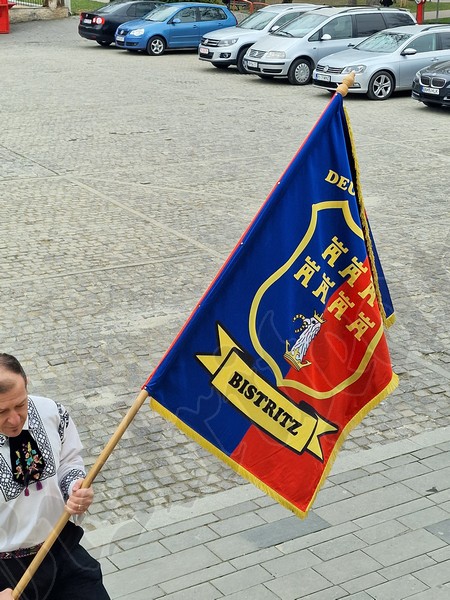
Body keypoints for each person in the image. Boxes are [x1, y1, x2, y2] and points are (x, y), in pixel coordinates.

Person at [0, 354, 110, 600]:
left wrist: (74, 487)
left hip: (60, 548)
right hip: (6, 571)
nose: (15, 420)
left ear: (26, 383)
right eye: (1, 411)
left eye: (20, 405)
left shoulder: (52, 411)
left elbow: (69, 461)